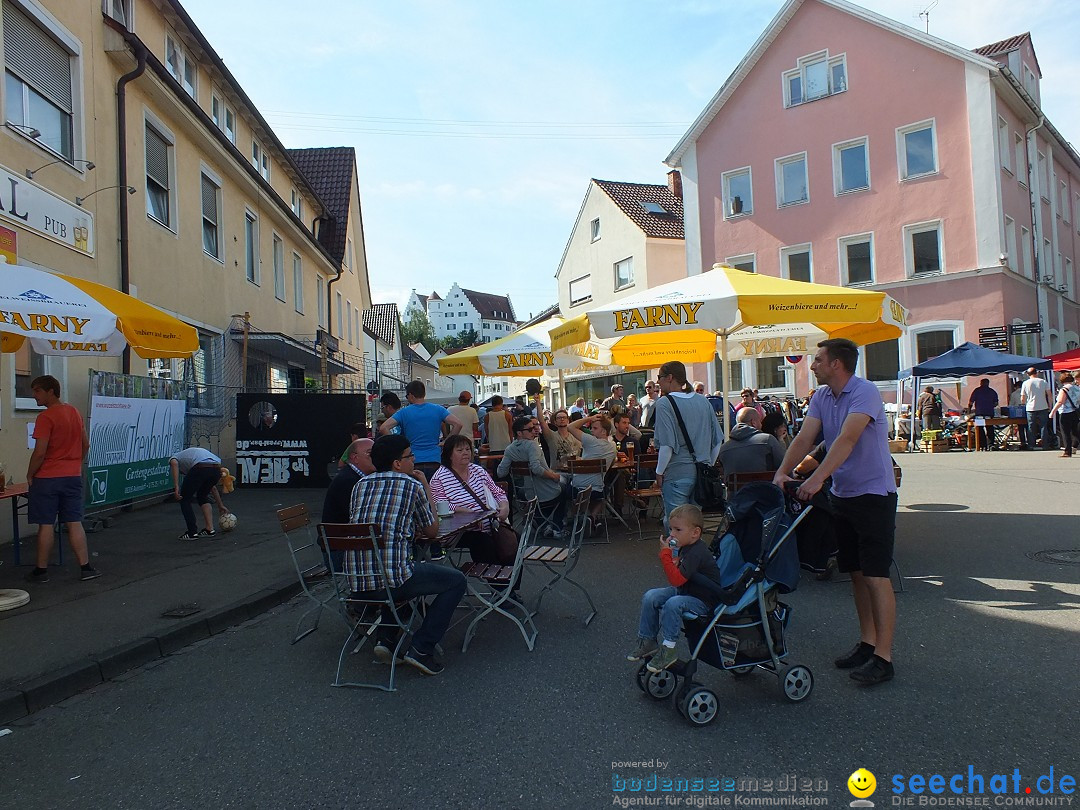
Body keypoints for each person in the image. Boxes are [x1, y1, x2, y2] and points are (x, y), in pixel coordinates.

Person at [772, 338, 898, 686]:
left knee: (876, 575)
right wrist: (782, 471)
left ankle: (884, 657)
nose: (812, 366)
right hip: (843, 495)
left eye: (817, 360)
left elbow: (847, 439)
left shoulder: (865, 392)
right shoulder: (823, 397)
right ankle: (867, 642)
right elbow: (803, 439)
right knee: (856, 574)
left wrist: (817, 479)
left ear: (836, 365)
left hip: (873, 494)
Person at [347, 434, 466, 676]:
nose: (414, 460)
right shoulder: (411, 485)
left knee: (399, 567)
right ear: (397, 463)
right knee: (455, 580)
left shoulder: (360, 485)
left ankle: (386, 640)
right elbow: (432, 530)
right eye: (410, 455)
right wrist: (425, 486)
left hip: (357, 582)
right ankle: (421, 648)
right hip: (393, 580)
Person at [625, 504, 723, 673]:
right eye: (671, 529)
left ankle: (669, 648)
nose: (672, 534)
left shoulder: (697, 552)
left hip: (702, 600)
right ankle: (647, 640)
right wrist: (672, 555)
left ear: (695, 533)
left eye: (678, 530)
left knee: (673, 603)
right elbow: (678, 571)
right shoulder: (686, 547)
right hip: (687, 590)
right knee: (651, 596)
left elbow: (676, 580)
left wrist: (665, 555)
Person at [24, 375, 99, 583]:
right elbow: (86, 444)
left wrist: (30, 474)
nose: (34, 395)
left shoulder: (46, 418)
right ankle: (86, 568)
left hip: (47, 477)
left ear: (50, 391)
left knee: (46, 524)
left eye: (37, 391)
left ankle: (41, 571)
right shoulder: (74, 412)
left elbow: (39, 452)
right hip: (72, 476)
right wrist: (75, 462)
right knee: (74, 522)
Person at [653, 361, 724, 531]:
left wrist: (659, 472)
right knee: (692, 525)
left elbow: (667, 445)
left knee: (675, 525)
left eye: (660, 377)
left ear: (670, 378)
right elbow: (717, 441)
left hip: (677, 472)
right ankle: (692, 557)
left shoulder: (664, 403)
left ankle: (676, 557)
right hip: (702, 473)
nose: (658, 382)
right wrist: (708, 463)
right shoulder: (703, 401)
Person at [429, 434, 514, 565]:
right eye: (460, 450)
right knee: (482, 541)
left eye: (468, 449)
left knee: (514, 542)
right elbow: (439, 505)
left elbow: (497, 492)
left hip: (490, 524)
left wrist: (504, 507)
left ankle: (512, 583)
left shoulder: (478, 470)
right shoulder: (439, 478)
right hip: (459, 531)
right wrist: (468, 514)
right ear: (449, 454)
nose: (465, 453)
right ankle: (498, 581)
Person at [498, 415, 568, 535]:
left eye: (535, 427)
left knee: (559, 488)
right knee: (566, 489)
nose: (534, 430)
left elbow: (501, 472)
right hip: (545, 491)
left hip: (528, 492)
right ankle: (557, 527)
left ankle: (544, 523)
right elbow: (536, 468)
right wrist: (553, 476)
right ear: (519, 433)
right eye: (530, 429)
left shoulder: (510, 449)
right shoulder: (532, 445)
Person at [380, 380, 462, 480]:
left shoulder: (404, 412)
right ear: (424, 393)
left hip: (412, 461)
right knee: (434, 492)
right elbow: (458, 424)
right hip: (434, 459)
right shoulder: (438, 409)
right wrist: (446, 442)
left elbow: (383, 428)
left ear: (410, 395)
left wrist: (397, 445)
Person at [567, 413, 617, 523]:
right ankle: (592, 517)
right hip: (597, 490)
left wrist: (589, 418)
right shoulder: (613, 449)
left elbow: (570, 427)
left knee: (564, 486)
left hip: (577, 489)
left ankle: (575, 517)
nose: (591, 430)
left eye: (595, 428)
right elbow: (609, 467)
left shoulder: (590, 441)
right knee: (606, 489)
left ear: (604, 431)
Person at [170, 446, 225, 540]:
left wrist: (176, 487)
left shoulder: (175, 457)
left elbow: (174, 463)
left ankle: (192, 533)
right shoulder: (191, 458)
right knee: (202, 496)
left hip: (201, 467)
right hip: (216, 468)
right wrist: (220, 505)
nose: (183, 474)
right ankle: (209, 530)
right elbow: (213, 488)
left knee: (184, 499)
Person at [717, 408, 786, 476]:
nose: (761, 425)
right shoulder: (767, 440)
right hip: (766, 486)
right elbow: (784, 467)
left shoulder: (723, 449)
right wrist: (781, 442)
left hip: (736, 487)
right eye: (760, 421)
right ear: (754, 422)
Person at [323, 439, 374, 525]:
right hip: (341, 536)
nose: (375, 457)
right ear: (355, 458)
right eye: (370, 453)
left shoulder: (352, 476)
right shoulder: (348, 481)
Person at [539, 407, 582, 471]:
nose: (562, 419)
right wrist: (538, 402)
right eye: (559, 418)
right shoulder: (551, 436)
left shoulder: (576, 436)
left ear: (568, 420)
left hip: (575, 471)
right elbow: (542, 421)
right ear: (555, 422)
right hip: (558, 473)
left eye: (564, 417)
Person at [1048, 372, 1080, 457]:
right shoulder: (1077, 388)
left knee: (1065, 433)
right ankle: (1072, 448)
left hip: (1065, 412)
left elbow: (1060, 401)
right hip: (1075, 412)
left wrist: (1053, 411)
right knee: (1075, 432)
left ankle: (1067, 451)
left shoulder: (1064, 389)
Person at [1021, 367, 1054, 449]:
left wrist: (1025, 403)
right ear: (1037, 373)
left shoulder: (1025, 383)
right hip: (1043, 406)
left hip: (1030, 408)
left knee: (1031, 427)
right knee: (1044, 426)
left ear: (1028, 374)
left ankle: (1031, 445)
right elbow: (1049, 395)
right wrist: (1050, 406)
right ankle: (1045, 445)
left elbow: (1022, 398)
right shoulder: (1043, 382)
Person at [967, 378, 999, 450]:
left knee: (980, 428)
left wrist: (969, 410)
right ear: (988, 383)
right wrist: (990, 406)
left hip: (979, 414)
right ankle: (991, 445)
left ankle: (982, 445)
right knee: (990, 428)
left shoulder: (977, 391)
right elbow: (996, 403)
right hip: (989, 413)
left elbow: (971, 402)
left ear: (981, 383)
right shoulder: (992, 391)